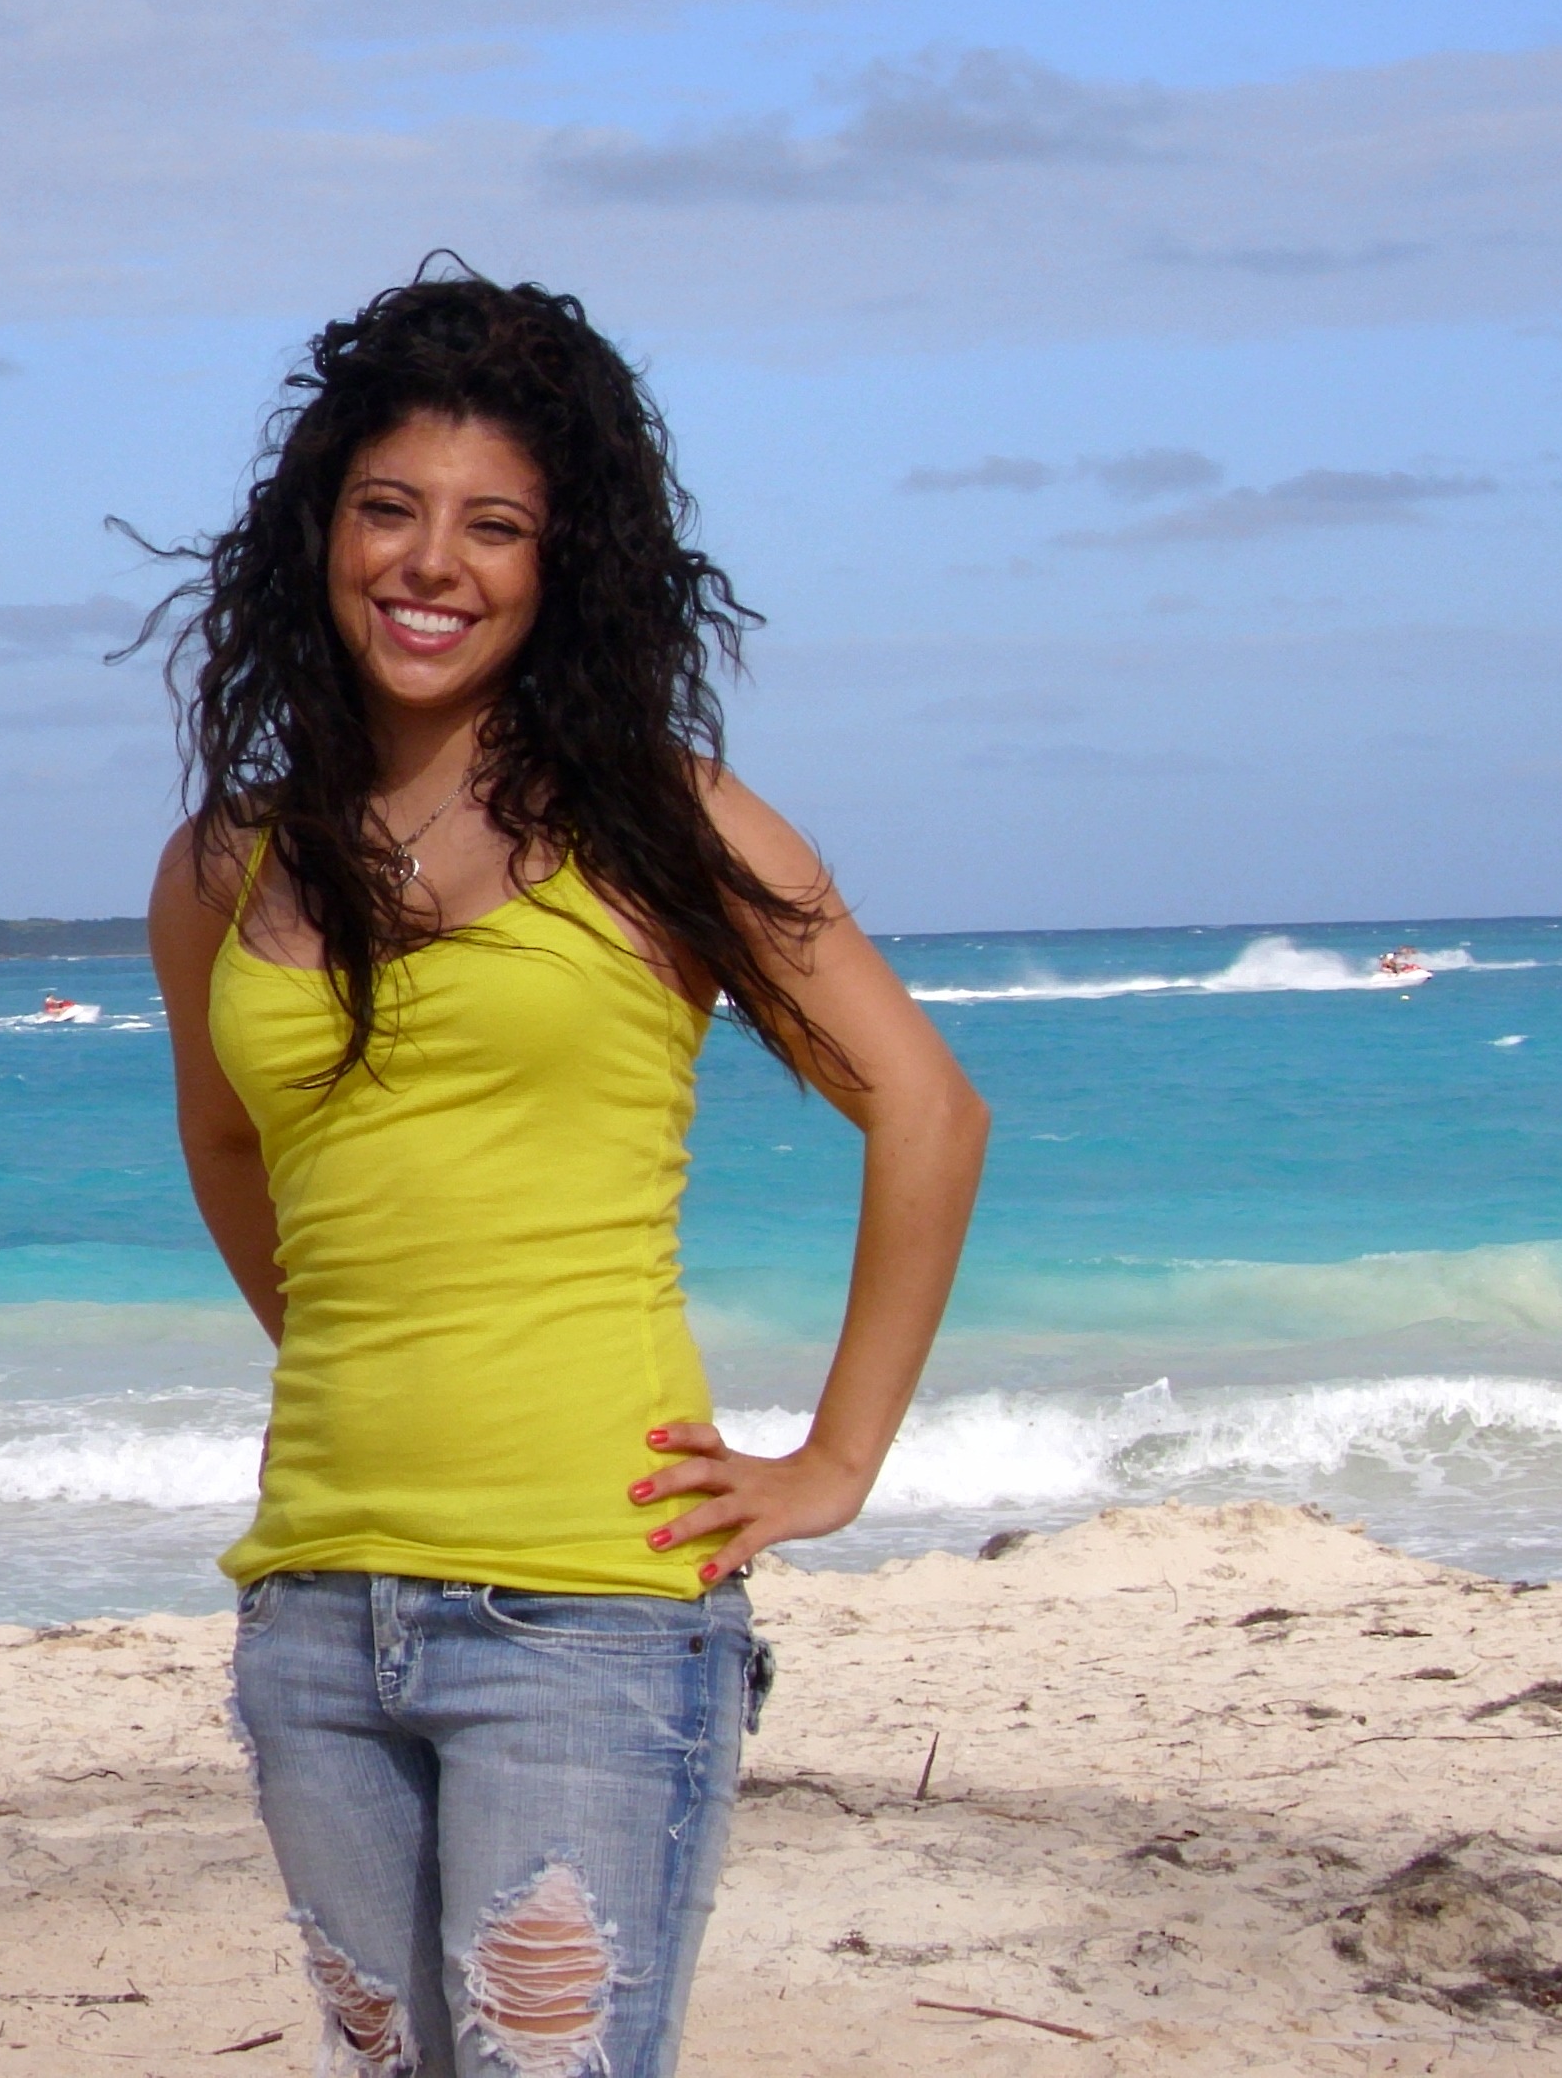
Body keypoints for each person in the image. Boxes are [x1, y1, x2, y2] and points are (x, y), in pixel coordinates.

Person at [146, 264, 988, 2078]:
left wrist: (835, 1460)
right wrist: (362, 1355)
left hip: (589, 1615)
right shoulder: (230, 863)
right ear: (322, 531)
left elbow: (929, 1108)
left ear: (560, 563)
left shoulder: (661, 824)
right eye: (389, 508)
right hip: (312, 1612)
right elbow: (229, 1139)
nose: (430, 561)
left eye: (493, 525)